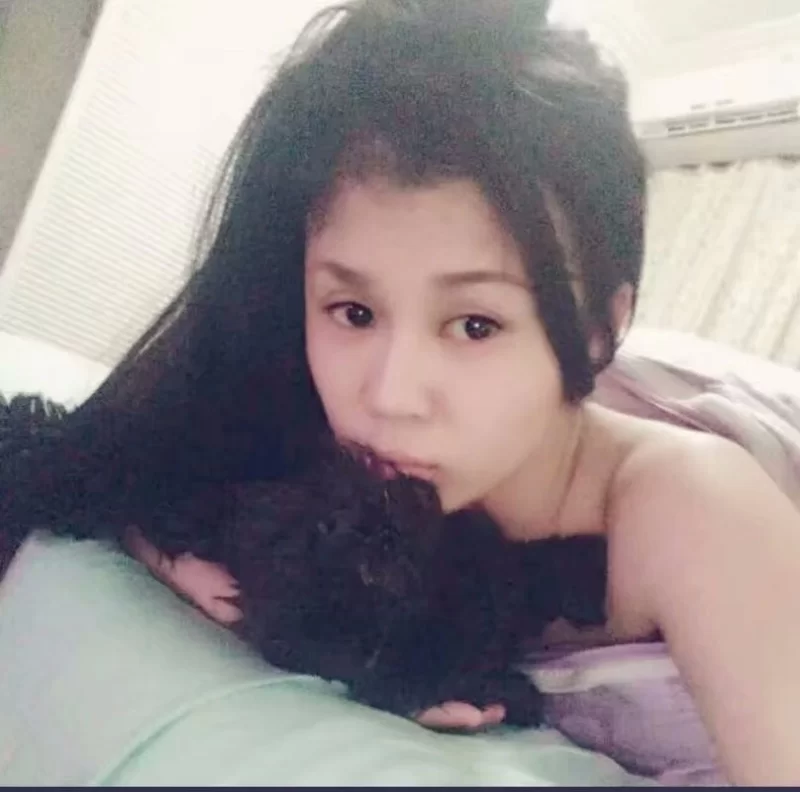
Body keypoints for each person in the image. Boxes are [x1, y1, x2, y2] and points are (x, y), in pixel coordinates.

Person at [2, 0, 800, 784]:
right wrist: (184, 565)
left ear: (598, 330)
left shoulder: (693, 510)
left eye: (476, 325)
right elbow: (94, 464)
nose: (390, 396)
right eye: (354, 312)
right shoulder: (300, 433)